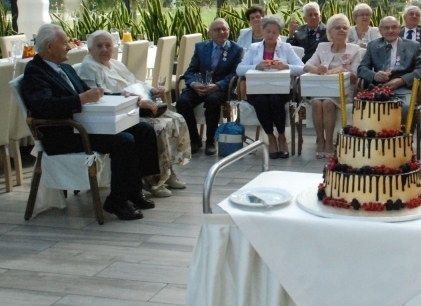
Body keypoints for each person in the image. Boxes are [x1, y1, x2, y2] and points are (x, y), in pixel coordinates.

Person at [21, 24, 161, 221]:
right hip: (63, 133)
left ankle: (133, 190)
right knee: (124, 141)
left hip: (85, 125)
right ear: (50, 47)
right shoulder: (35, 72)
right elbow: (45, 106)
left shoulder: (66, 68)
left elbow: (91, 93)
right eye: (65, 43)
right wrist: (80, 100)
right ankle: (117, 201)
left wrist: (121, 95)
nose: (69, 46)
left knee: (143, 129)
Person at [76, 30, 191, 197]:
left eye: (108, 46)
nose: (104, 50)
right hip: (119, 113)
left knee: (176, 119)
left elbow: (134, 81)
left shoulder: (115, 64)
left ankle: (168, 171)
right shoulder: (89, 68)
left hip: (135, 106)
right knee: (157, 127)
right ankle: (153, 179)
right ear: (90, 50)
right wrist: (138, 102)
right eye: (99, 46)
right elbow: (102, 96)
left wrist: (151, 90)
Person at [237, 15, 305, 159]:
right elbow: (239, 69)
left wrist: (285, 66)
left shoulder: (286, 48)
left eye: (274, 32)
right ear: (262, 31)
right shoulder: (254, 48)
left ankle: (281, 136)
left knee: (275, 100)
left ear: (279, 33)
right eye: (268, 31)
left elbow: (302, 68)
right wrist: (256, 66)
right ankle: (270, 137)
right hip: (258, 89)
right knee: (261, 101)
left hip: (280, 88)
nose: (271, 35)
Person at [176, 18, 243, 156]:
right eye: (217, 30)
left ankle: (211, 141)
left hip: (221, 88)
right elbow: (190, 71)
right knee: (182, 102)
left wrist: (217, 85)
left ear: (229, 32)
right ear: (210, 33)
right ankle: (194, 139)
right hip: (199, 86)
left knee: (212, 101)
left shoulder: (236, 49)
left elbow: (235, 74)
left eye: (224, 29)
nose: (221, 32)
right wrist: (194, 84)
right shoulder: (201, 47)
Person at [303, 14, 361, 158]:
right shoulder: (322, 47)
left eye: (345, 27)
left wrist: (344, 70)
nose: (341, 30)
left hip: (344, 91)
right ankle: (320, 141)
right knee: (317, 103)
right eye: (337, 27)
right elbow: (307, 65)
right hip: (321, 89)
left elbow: (355, 77)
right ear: (329, 32)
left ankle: (329, 142)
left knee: (328, 103)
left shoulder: (355, 49)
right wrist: (318, 70)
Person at [358, 15, 421, 116]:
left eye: (394, 27)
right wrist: (374, 76)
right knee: (364, 106)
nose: (390, 30)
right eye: (386, 28)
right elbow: (362, 69)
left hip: (404, 88)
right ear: (380, 30)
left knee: (406, 107)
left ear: (400, 29)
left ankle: (404, 132)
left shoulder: (413, 46)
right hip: (379, 88)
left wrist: (402, 80)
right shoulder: (372, 46)